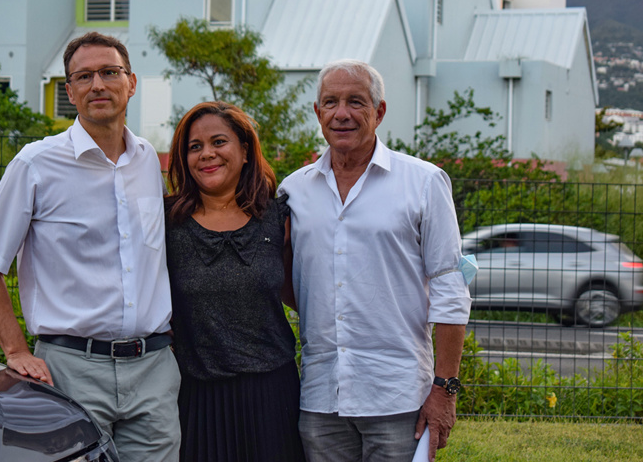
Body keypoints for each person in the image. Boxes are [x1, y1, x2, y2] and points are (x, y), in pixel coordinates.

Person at [0, 32, 180, 462]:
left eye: (109, 72)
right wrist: (15, 350)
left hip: (153, 370)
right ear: (70, 91)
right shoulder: (35, 164)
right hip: (70, 370)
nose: (97, 85)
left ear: (132, 82)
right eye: (84, 76)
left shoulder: (148, 162)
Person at [278, 60, 472, 462]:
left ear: (379, 112)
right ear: (317, 113)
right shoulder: (294, 191)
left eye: (356, 102)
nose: (341, 113)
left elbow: (450, 289)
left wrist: (445, 388)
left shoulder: (423, 182)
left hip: (398, 396)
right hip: (319, 396)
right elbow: (287, 280)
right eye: (330, 102)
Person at [164, 101, 305, 462]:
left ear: (245, 150)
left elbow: (299, 293)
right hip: (197, 396)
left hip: (272, 394)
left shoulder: (278, 218)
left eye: (218, 142)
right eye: (194, 147)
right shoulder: (165, 221)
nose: (207, 154)